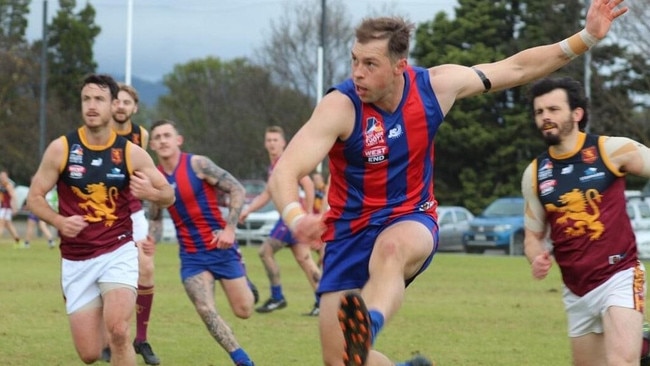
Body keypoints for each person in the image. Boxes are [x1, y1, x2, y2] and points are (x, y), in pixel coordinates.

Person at [266, 2, 628, 365]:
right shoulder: (340, 107)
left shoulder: (435, 87)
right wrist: (298, 219)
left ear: (399, 67)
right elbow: (286, 170)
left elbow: (516, 68)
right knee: (342, 360)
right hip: (347, 233)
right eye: (354, 60)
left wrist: (587, 37)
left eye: (370, 64)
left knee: (390, 253)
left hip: (410, 219)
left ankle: (369, 324)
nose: (357, 73)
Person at [26, 73, 175, 366]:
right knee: (90, 354)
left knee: (119, 330)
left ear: (112, 105)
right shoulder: (62, 148)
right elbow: (34, 197)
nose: (92, 105)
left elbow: (168, 193)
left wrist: (151, 193)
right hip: (76, 258)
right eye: (86, 99)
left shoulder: (130, 153)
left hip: (117, 250)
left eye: (99, 99)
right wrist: (58, 221)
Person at [522, 76, 649, 366]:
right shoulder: (535, 174)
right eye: (539, 112)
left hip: (620, 274)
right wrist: (535, 258)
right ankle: (644, 346)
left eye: (553, 109)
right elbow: (533, 236)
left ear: (577, 114)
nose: (545, 117)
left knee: (621, 362)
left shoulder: (611, 151)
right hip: (576, 290)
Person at [148, 119, 256, 366]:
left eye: (167, 135)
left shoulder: (198, 164)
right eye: (158, 137)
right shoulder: (155, 178)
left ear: (178, 140)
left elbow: (237, 189)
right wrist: (150, 241)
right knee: (205, 309)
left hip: (222, 247)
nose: (163, 140)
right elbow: (155, 217)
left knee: (244, 310)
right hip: (191, 256)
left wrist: (230, 228)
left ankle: (246, 280)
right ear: (152, 144)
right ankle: (242, 361)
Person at [239, 126, 321, 316]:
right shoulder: (274, 166)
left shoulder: (286, 161)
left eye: (275, 140)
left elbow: (308, 183)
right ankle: (322, 302)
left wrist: (306, 215)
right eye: (269, 140)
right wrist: (248, 210)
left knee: (265, 251)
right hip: (291, 218)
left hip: (290, 218)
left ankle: (277, 297)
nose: (272, 144)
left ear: (284, 142)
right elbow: (268, 192)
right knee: (305, 260)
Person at [109, 82, 159, 365]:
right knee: (107, 274)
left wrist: (153, 225)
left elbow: (150, 179)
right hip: (102, 215)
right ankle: (111, 337)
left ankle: (141, 338)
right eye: (116, 101)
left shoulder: (141, 135)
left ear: (134, 108)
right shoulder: (96, 133)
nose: (120, 106)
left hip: (133, 212)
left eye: (126, 102)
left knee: (147, 268)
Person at [0, 170, 21, 247]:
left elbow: (13, 196)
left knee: (1, 224)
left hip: (6, 208)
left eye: (3, 176)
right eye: (1, 176)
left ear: (7, 177)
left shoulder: (8, 185)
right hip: (2, 207)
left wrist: (14, 207)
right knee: (8, 225)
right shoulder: (1, 185)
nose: (2, 177)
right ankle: (17, 239)